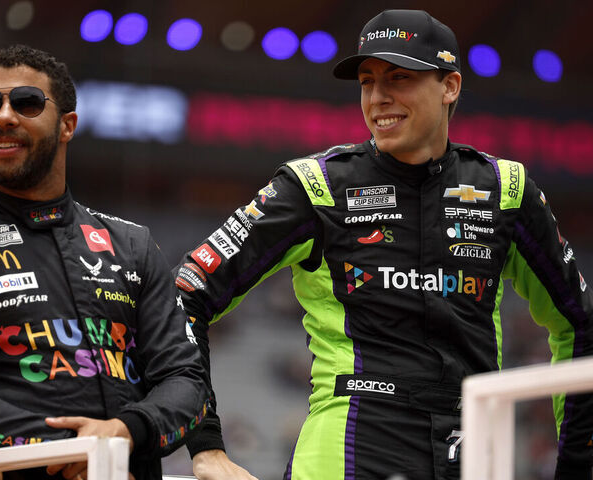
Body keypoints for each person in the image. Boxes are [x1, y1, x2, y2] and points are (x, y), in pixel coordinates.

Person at [176, 9, 593, 480]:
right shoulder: (316, 186)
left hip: (474, 446)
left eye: (399, 77)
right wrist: (204, 443)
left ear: (450, 86)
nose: (378, 98)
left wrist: (577, 466)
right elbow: (186, 295)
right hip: (350, 447)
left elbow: (580, 323)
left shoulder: (507, 188)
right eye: (367, 81)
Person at [0, 44, 210, 480]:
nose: (3, 116)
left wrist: (125, 433)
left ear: (68, 125)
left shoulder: (132, 244)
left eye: (27, 102)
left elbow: (187, 382)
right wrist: (73, 449)